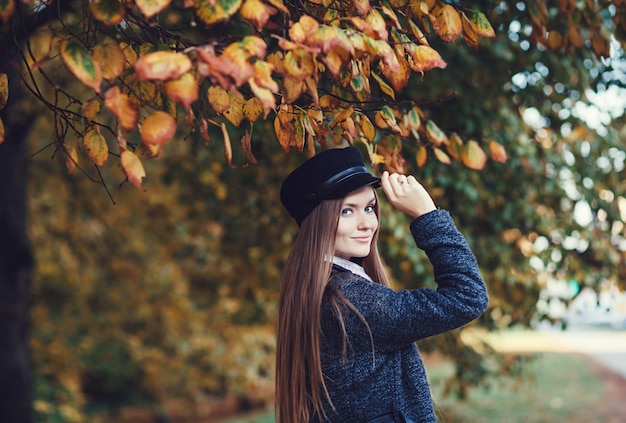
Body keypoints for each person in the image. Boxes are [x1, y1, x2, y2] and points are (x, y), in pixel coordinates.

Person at [275, 147, 488, 423]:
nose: (367, 223)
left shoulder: (318, 289)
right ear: (318, 222)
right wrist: (427, 214)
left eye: (368, 208)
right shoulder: (350, 301)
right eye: (347, 211)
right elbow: (468, 297)